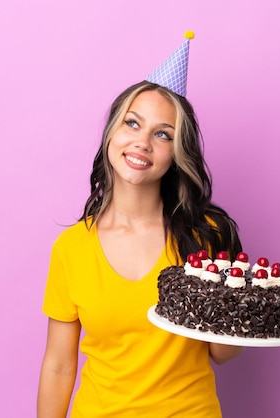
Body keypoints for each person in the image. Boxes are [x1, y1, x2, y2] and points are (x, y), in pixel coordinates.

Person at [37, 32, 245, 417]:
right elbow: (59, 365)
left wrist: (242, 305)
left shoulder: (206, 237)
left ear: (176, 154)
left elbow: (223, 354)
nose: (142, 142)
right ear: (111, 133)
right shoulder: (71, 247)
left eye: (162, 134)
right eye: (132, 124)